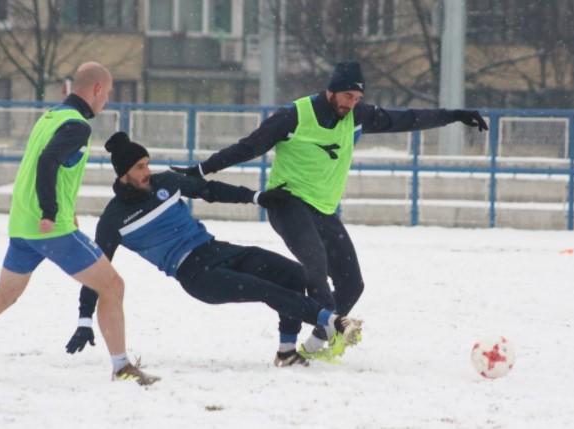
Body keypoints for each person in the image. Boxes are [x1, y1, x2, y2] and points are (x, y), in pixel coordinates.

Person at [171, 61, 489, 360]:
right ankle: (330, 325)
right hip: (288, 203)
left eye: (358, 97)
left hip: (323, 211)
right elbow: (249, 147)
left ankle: (316, 344)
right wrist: (201, 169)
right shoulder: (295, 115)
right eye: (347, 95)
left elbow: (407, 118)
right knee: (315, 265)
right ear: (331, 90)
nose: (351, 103)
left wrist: (456, 114)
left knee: (353, 284)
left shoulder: (359, 116)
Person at [64, 131, 363, 367]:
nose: (147, 171)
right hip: (195, 275)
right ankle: (334, 322)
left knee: (293, 275)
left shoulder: (164, 183)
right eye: (140, 167)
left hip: (216, 250)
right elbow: (96, 272)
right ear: (122, 174)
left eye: (147, 164)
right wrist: (84, 319)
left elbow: (210, 190)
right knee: (263, 288)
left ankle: (286, 353)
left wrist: (256, 197)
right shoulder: (113, 221)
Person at [0, 62, 158, 385]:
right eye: (109, 92)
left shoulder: (51, 116)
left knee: (4, 295)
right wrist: (50, 211)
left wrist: (62, 206)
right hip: (49, 228)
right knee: (113, 286)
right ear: (98, 89)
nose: (108, 100)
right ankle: (121, 367)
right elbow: (47, 162)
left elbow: (51, 167)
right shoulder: (77, 126)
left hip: (22, 225)